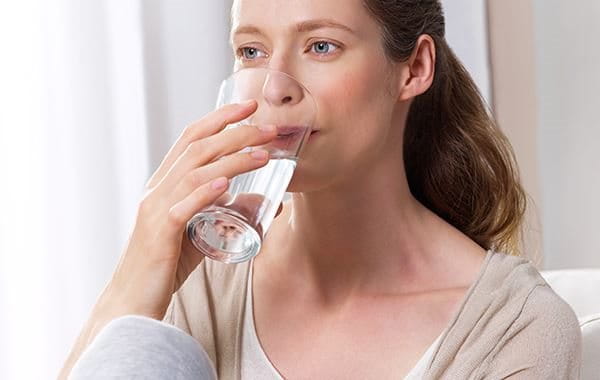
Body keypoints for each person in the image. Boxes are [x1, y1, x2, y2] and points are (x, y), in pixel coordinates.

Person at [59, 0, 582, 379]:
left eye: (321, 45)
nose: (275, 85)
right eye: (252, 50)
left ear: (414, 68)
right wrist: (137, 278)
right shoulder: (203, 284)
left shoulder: (514, 327)